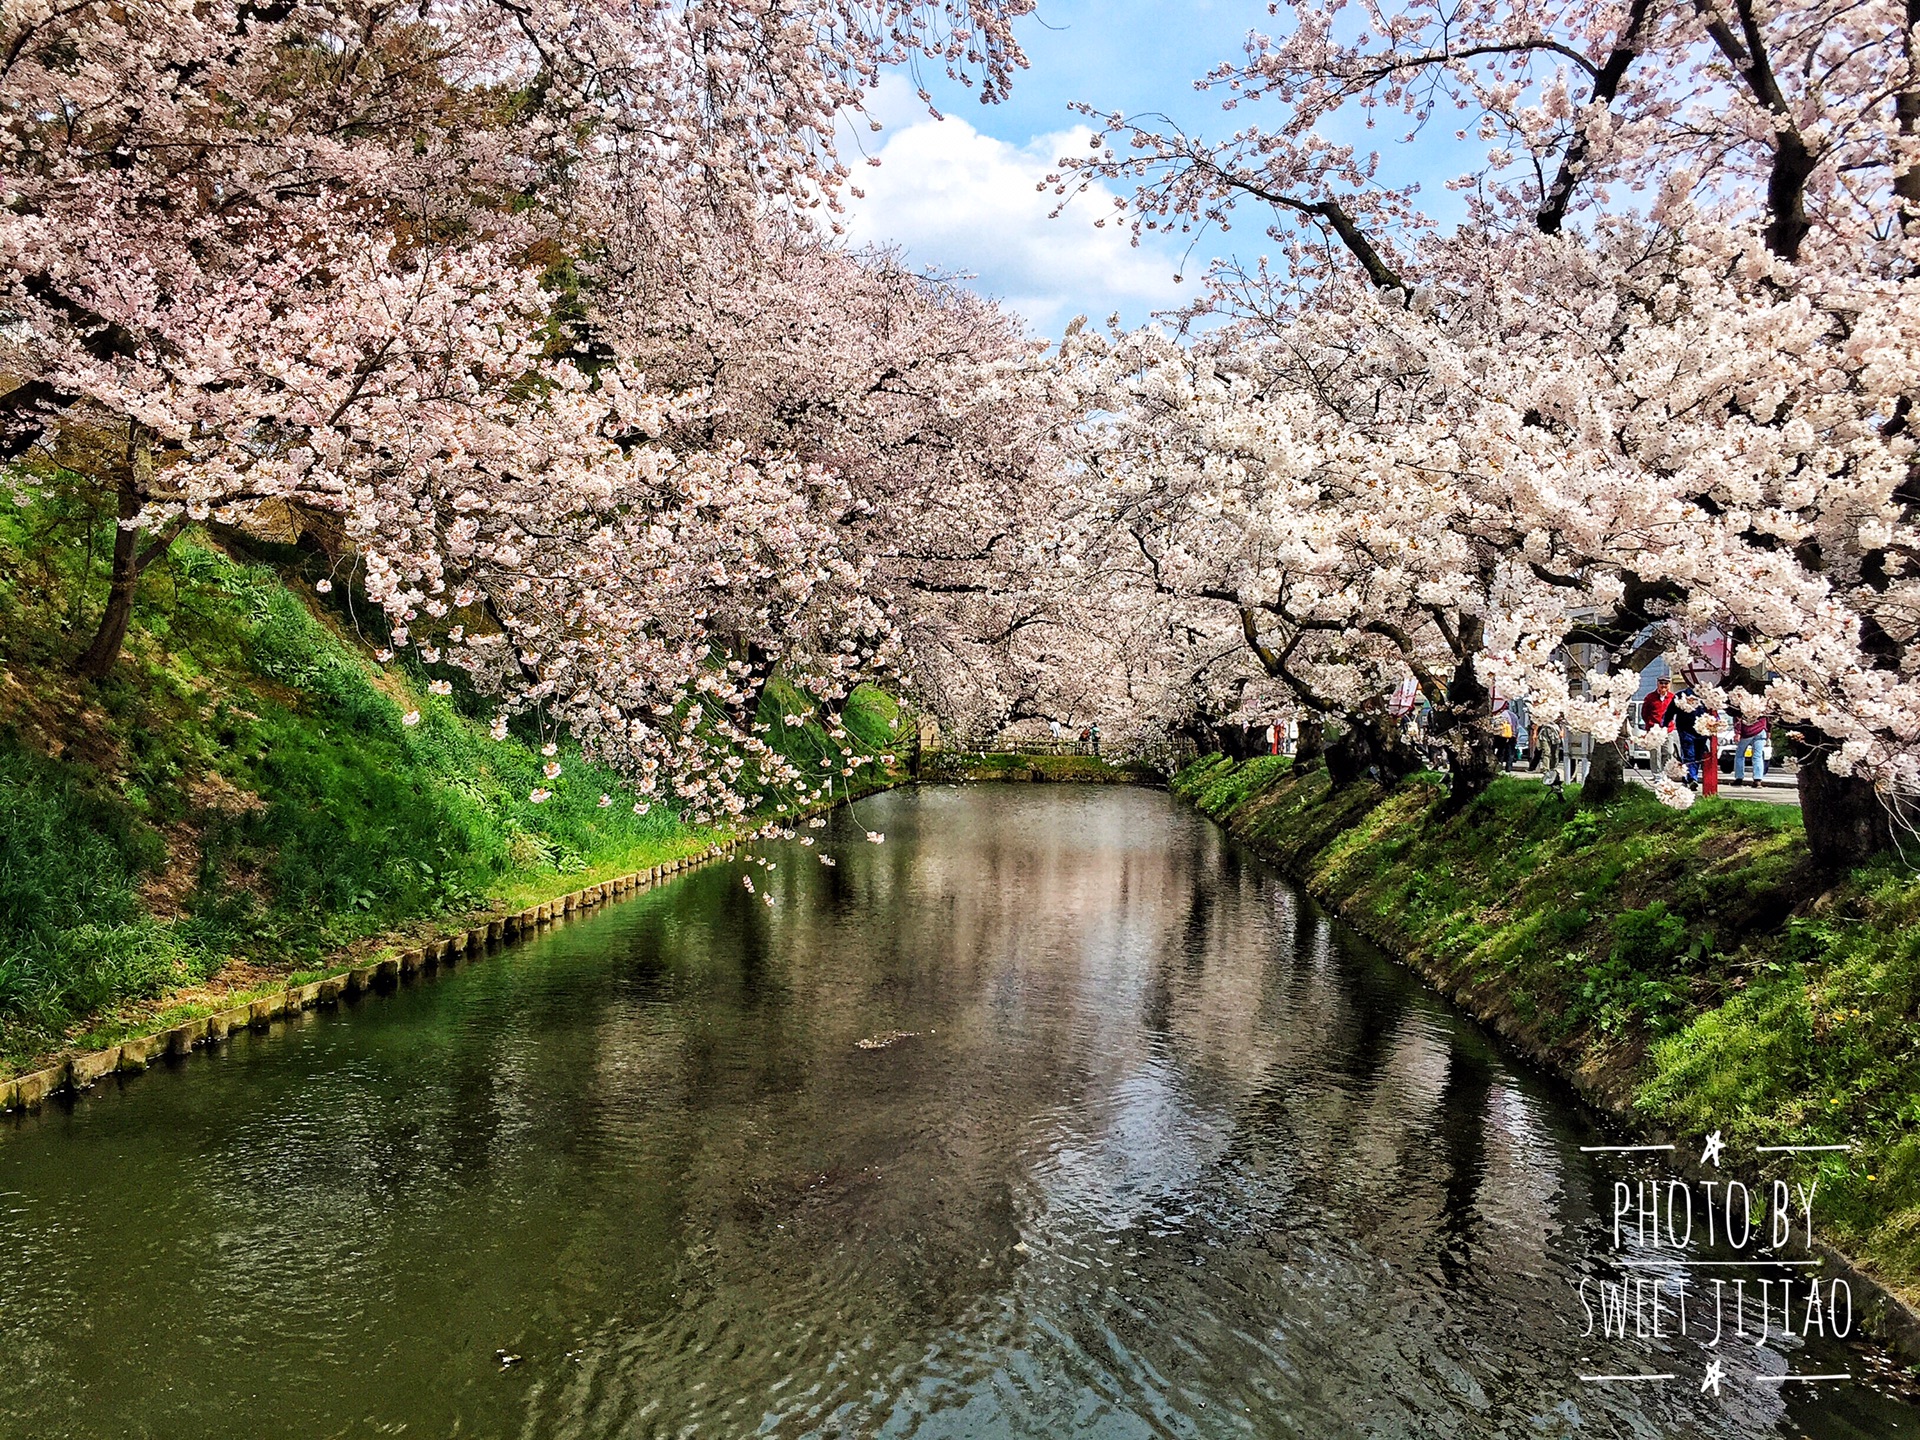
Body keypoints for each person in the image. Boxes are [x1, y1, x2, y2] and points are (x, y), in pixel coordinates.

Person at [1641, 674, 1678, 774]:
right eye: (1661, 683)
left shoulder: (1672, 697)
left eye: (1666, 683)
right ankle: (1656, 774)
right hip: (1654, 730)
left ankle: (1665, 773)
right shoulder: (1650, 697)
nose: (1663, 685)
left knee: (1669, 751)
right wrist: (1650, 725)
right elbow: (1644, 713)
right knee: (1655, 752)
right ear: (1657, 684)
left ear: (1669, 684)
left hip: (1667, 729)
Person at [1733, 706, 1769, 785]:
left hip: (1747, 732)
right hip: (1760, 730)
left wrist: (1738, 733)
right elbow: (1769, 718)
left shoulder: (1742, 705)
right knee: (1758, 756)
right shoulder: (1762, 704)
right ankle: (1758, 779)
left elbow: (1738, 719)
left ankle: (1739, 778)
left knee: (1740, 755)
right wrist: (1768, 731)